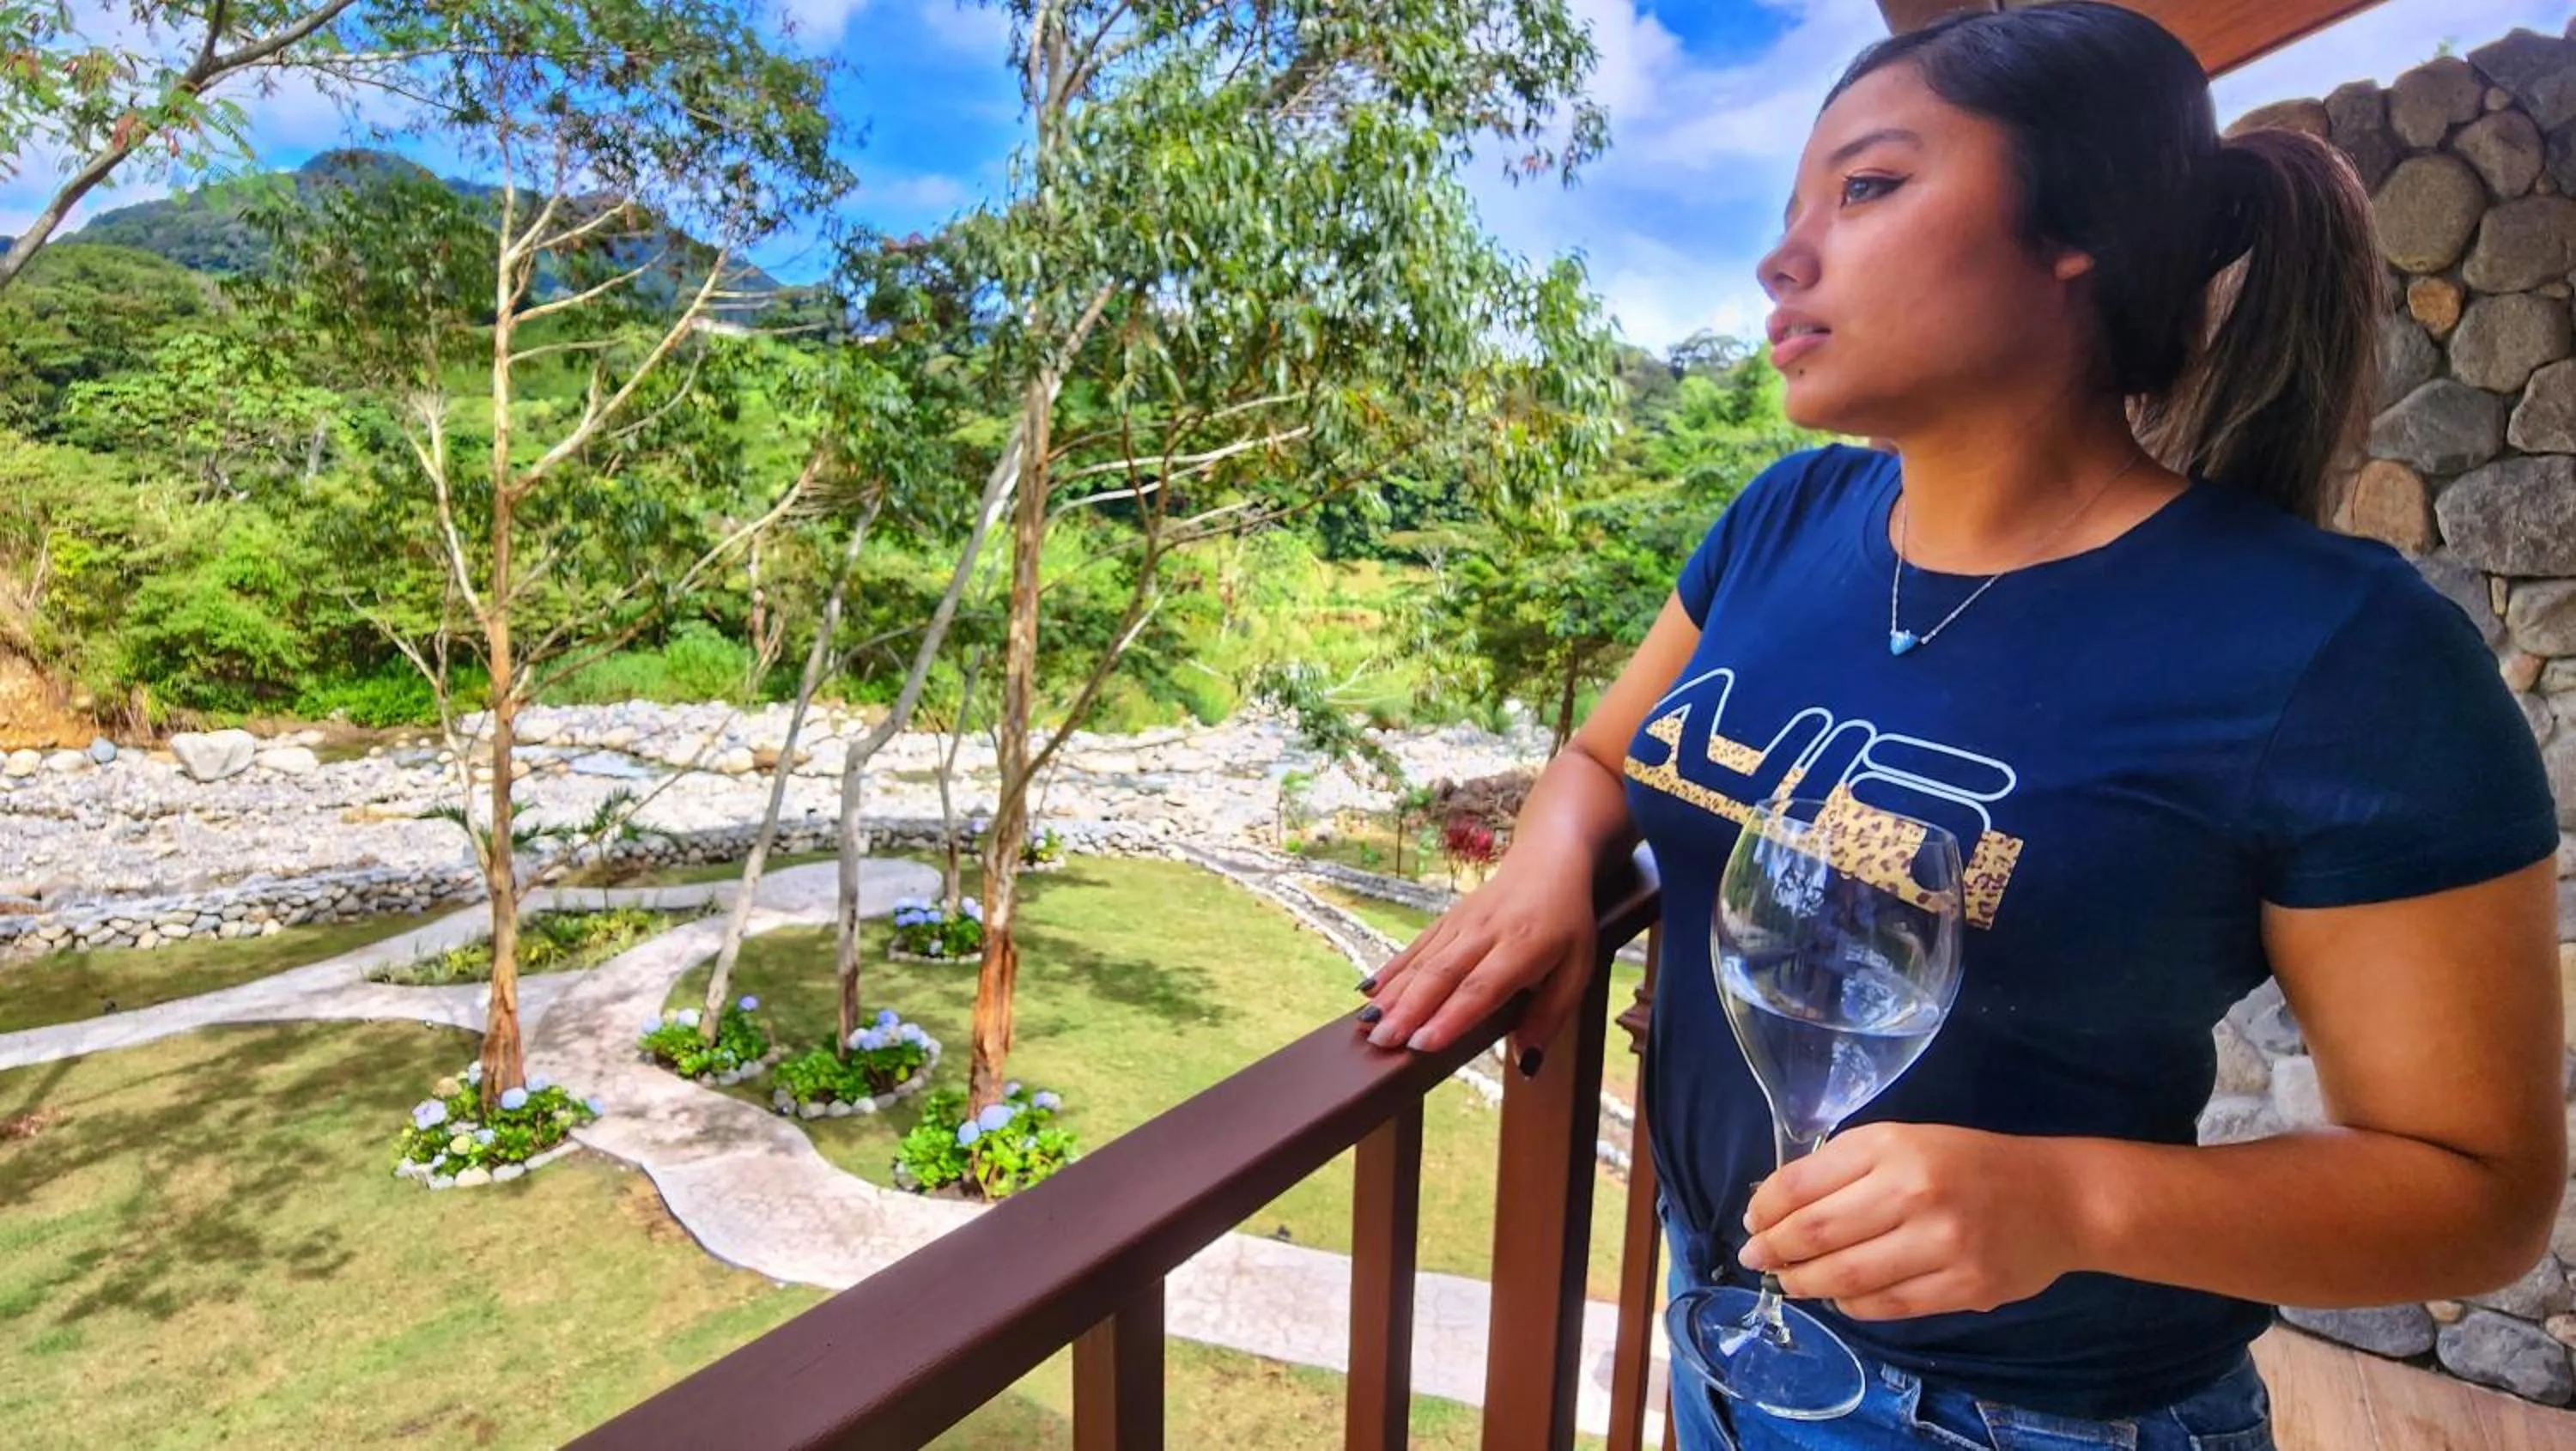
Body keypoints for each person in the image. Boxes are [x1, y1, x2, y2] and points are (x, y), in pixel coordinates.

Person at [1352, 5, 2567, 1447]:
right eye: (1792, 206)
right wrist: (1548, 867)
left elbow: (2476, 1192)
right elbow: (1606, 751)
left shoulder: (2338, 649)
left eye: (1865, 189)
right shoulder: (1784, 519)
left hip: (2018, 1415)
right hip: (1723, 1323)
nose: (1782, 256)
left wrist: (2064, 1200)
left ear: (2078, 233)